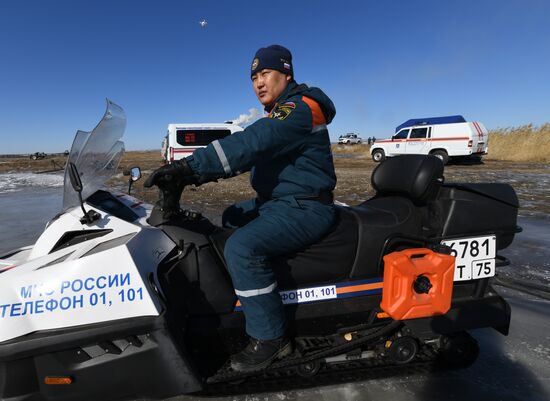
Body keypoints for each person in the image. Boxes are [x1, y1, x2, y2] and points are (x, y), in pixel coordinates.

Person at [145, 44, 337, 372]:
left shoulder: (300, 108)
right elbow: (253, 153)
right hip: (279, 203)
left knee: (241, 248)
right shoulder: (281, 110)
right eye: (254, 77)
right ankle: (248, 294)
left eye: (266, 74)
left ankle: (272, 338)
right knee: (232, 215)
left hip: (306, 207)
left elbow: (252, 143)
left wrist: (190, 169)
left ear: (286, 73)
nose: (258, 82)